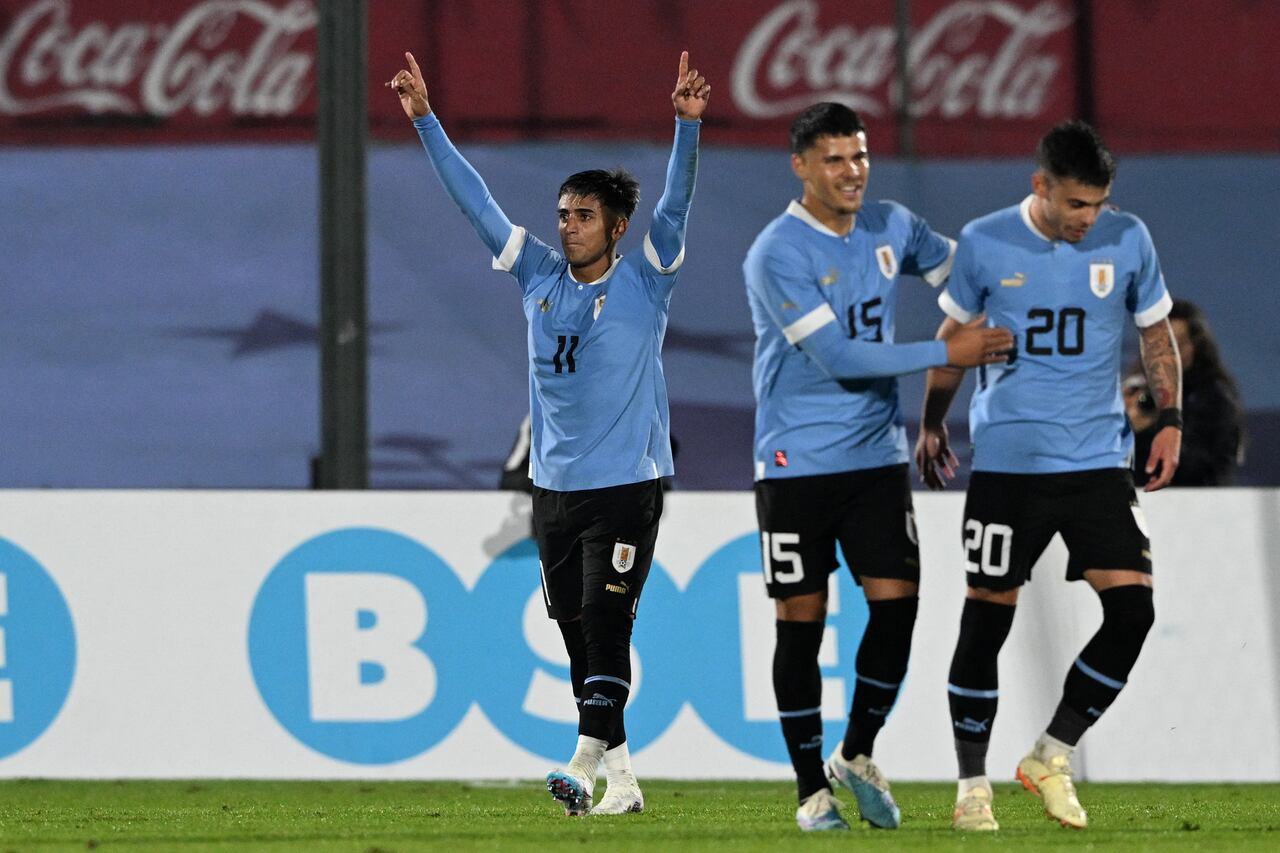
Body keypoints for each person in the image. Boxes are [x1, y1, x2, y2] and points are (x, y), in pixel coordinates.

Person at [389, 50, 710, 817]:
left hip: (627, 485)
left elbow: (676, 205)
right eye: (563, 213)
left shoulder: (645, 280)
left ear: (617, 227)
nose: (567, 226)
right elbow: (475, 203)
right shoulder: (536, 274)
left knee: (606, 620)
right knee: (575, 633)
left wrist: (686, 127)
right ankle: (624, 781)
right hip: (553, 489)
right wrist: (426, 120)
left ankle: (580, 764)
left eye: (583, 215)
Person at [743, 102, 1014, 833]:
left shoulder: (893, 225)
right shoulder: (776, 252)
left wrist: (1026, 270)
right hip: (795, 463)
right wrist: (946, 352)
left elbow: (970, 276)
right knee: (800, 623)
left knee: (898, 607)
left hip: (875, 458)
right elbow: (838, 357)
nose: (852, 171)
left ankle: (856, 752)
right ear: (801, 166)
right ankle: (811, 791)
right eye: (834, 159)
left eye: (859, 156)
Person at [914, 120, 1182, 832]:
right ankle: (972, 786)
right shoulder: (985, 241)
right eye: (1076, 204)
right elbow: (953, 341)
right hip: (1010, 465)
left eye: (1098, 203)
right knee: (987, 619)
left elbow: (1155, 331)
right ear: (1041, 187)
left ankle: (1050, 753)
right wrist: (932, 420)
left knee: (1134, 611)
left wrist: (1171, 419)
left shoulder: (1128, 239)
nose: (1089, 217)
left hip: (1098, 463)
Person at [1124, 298, 1243, 486]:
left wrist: (1148, 430)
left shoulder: (1215, 398)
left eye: (1179, 342)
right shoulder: (1138, 391)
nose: (1171, 352)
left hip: (1199, 500)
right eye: (1162, 344)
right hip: (1146, 499)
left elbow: (1195, 471)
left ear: (1196, 346)